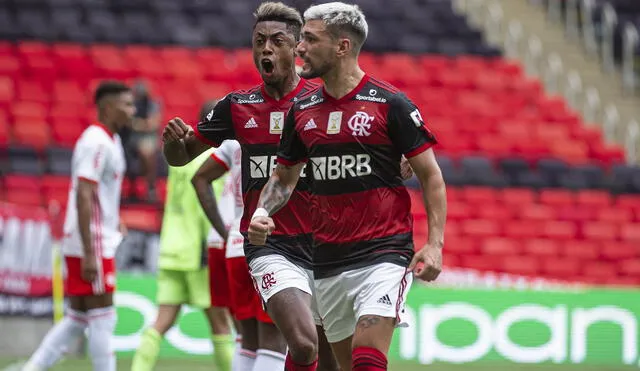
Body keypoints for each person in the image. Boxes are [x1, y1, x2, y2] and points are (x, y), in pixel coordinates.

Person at [247, 3, 447, 371]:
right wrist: (262, 212)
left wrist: (434, 245)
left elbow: (431, 175)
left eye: (309, 38)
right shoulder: (301, 111)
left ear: (341, 46)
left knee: (367, 361)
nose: (300, 47)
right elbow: (282, 179)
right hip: (326, 260)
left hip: (384, 254)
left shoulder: (389, 104)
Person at [161, 3, 338, 371]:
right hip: (269, 245)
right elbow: (182, 158)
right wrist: (173, 144)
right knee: (302, 345)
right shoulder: (237, 106)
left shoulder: (321, 102)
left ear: (297, 48)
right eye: (259, 42)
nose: (266, 49)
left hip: (324, 245)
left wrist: (395, 164)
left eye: (276, 41)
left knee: (328, 358)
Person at [22, 81, 135, 371]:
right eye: (127, 105)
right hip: (92, 240)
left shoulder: (112, 140)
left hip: (93, 235)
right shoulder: (95, 141)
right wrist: (88, 252)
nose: (132, 111)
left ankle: (32, 368)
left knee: (78, 317)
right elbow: (84, 194)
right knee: (103, 315)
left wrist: (115, 218)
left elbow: (99, 192)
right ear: (108, 108)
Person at [131, 101, 235, 371]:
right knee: (221, 323)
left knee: (160, 322)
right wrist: (209, 245)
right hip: (197, 251)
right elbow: (206, 205)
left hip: (171, 247)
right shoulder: (209, 159)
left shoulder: (181, 155)